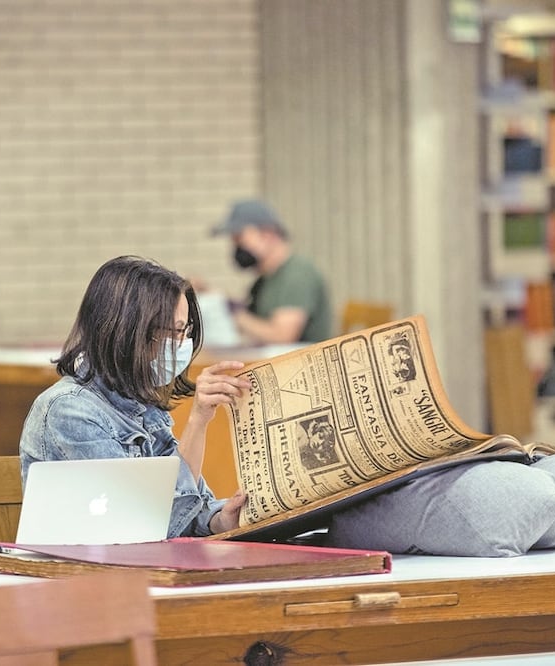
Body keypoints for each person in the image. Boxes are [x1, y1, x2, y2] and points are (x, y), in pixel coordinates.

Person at [18, 255, 250, 538]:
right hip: (84, 575)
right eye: (175, 331)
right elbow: (146, 520)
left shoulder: (143, 404)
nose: (182, 343)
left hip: (139, 567)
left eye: (186, 330)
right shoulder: (68, 410)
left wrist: (219, 520)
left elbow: (185, 509)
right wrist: (197, 420)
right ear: (129, 331)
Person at [211, 199, 332, 344]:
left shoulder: (298, 275)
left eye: (240, 239)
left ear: (267, 234)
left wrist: (232, 313)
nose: (236, 247)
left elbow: (282, 336)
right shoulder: (264, 281)